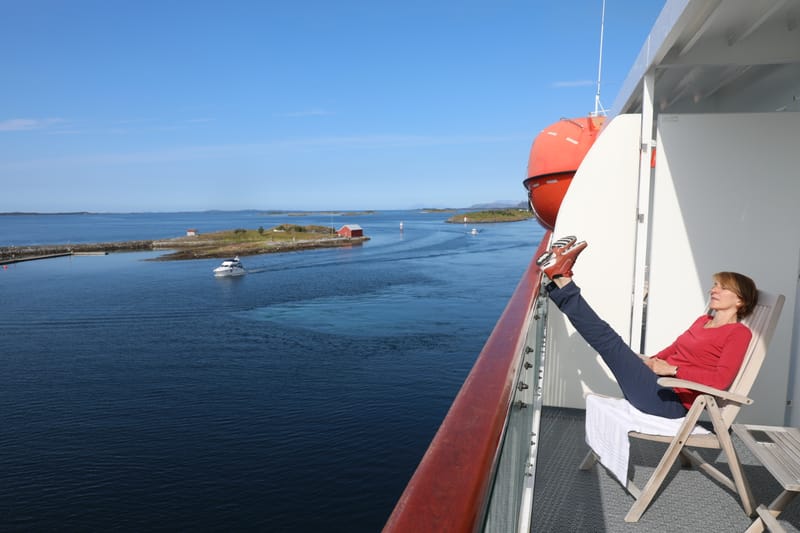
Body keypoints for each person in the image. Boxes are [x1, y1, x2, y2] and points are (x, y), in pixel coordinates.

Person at [537, 236, 757, 419]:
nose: (713, 291)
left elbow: (721, 381)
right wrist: (649, 361)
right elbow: (673, 350)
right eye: (714, 286)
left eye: (722, 288)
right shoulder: (702, 321)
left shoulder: (739, 333)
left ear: (740, 300)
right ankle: (558, 280)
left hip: (671, 401)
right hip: (658, 384)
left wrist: (673, 370)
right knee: (611, 343)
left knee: (609, 341)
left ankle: (560, 278)